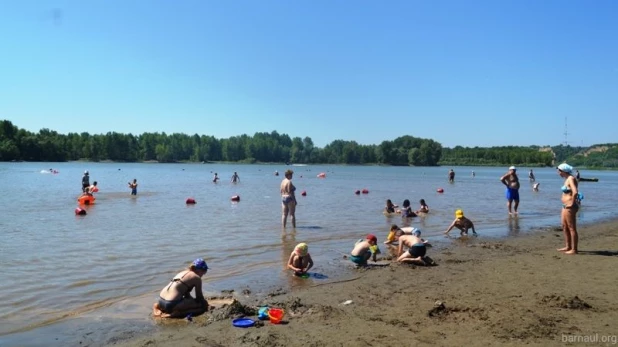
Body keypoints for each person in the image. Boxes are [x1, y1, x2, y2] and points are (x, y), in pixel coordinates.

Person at [557, 163, 579, 255]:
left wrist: (572, 203)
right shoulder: (567, 179)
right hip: (565, 206)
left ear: (563, 171)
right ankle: (568, 246)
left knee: (571, 227)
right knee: (564, 226)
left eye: (559, 171)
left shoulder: (571, 179)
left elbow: (575, 192)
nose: (558, 172)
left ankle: (574, 249)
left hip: (570, 206)